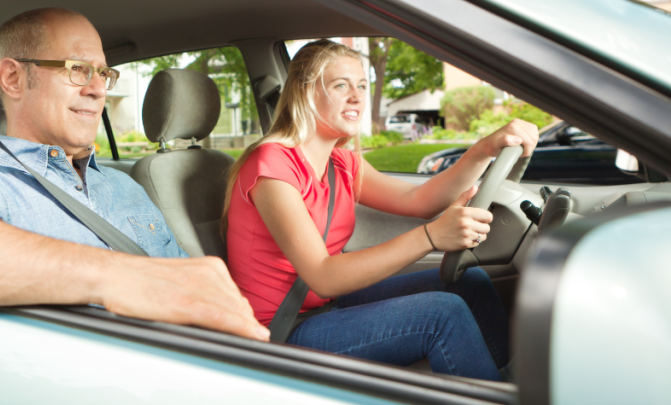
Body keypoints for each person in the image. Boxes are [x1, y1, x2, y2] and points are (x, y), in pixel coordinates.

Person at [0, 8, 269, 342]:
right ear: (13, 78)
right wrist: (119, 276)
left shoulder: (124, 186)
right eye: (78, 69)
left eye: (104, 74)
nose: (98, 90)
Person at [224, 39, 539, 380]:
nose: (357, 97)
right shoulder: (271, 165)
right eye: (340, 85)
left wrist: (483, 149)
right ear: (305, 92)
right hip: (280, 332)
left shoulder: (341, 162)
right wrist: (432, 236)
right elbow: (323, 276)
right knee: (440, 315)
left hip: (326, 306)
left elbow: (420, 201)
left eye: (361, 85)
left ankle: (507, 386)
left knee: (470, 282)